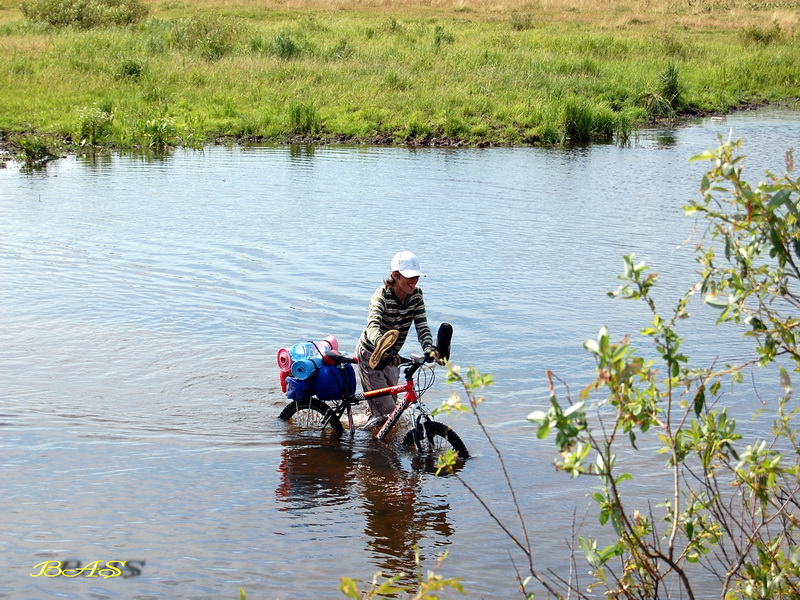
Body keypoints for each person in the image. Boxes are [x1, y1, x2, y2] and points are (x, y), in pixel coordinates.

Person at [355, 250, 438, 427]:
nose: (414, 280)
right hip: (371, 355)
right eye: (409, 276)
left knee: (392, 410)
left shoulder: (416, 295)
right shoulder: (381, 296)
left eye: (416, 276)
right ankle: (371, 439)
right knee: (387, 415)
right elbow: (373, 326)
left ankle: (371, 418)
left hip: (392, 356)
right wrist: (382, 345)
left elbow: (422, 326)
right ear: (395, 275)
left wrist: (429, 347)